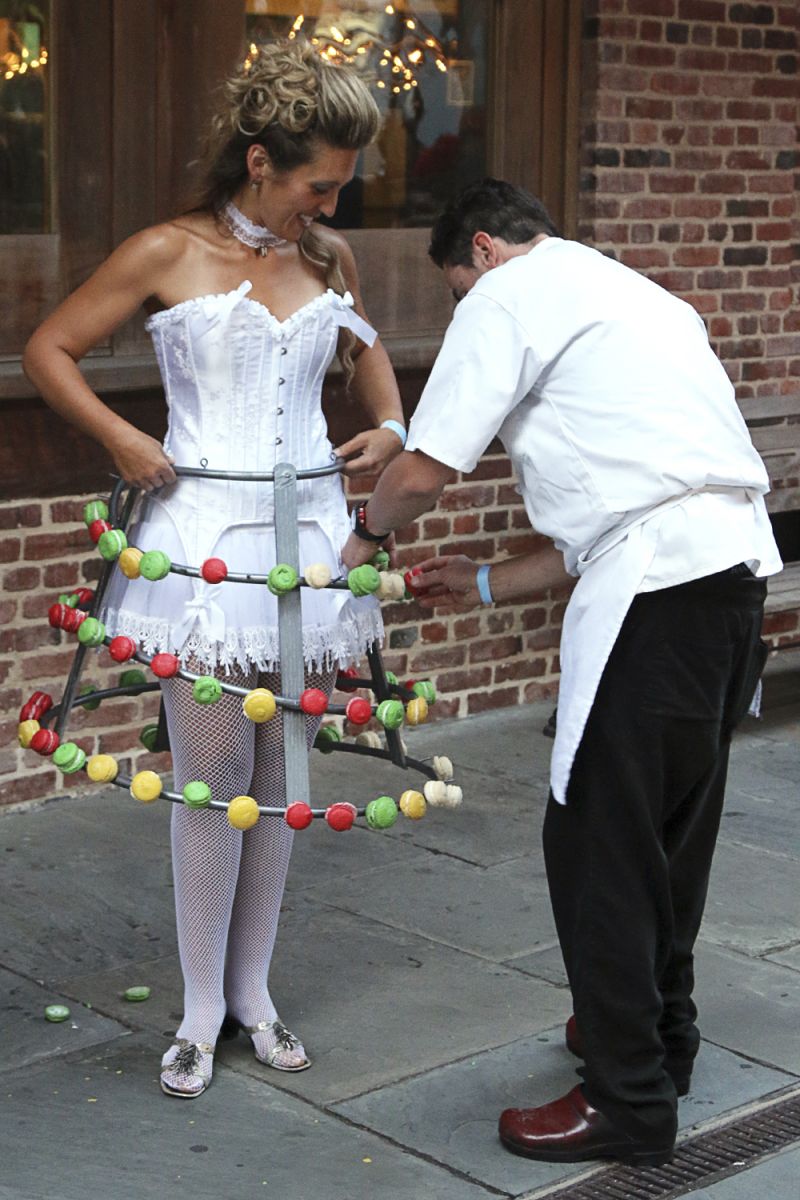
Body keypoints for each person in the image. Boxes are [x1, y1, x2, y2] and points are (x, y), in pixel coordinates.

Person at [341, 178, 782, 1166]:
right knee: (666, 835)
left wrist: (361, 533)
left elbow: (425, 466)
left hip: (656, 592)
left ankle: (626, 1102)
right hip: (728, 582)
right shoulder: (639, 297)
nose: (465, 307)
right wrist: (487, 582)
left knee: (596, 845)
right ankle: (659, 1040)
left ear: (485, 251)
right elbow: (625, 503)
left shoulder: (507, 294)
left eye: (457, 288)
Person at [23, 39, 406, 1098]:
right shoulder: (163, 251)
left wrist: (388, 421)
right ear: (257, 162)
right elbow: (48, 349)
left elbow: (366, 353)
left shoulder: (328, 258)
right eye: (316, 184)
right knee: (212, 779)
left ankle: (255, 995)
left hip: (307, 538)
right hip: (200, 544)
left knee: (281, 774)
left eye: (337, 185)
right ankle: (197, 1009)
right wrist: (119, 438)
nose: (328, 202)